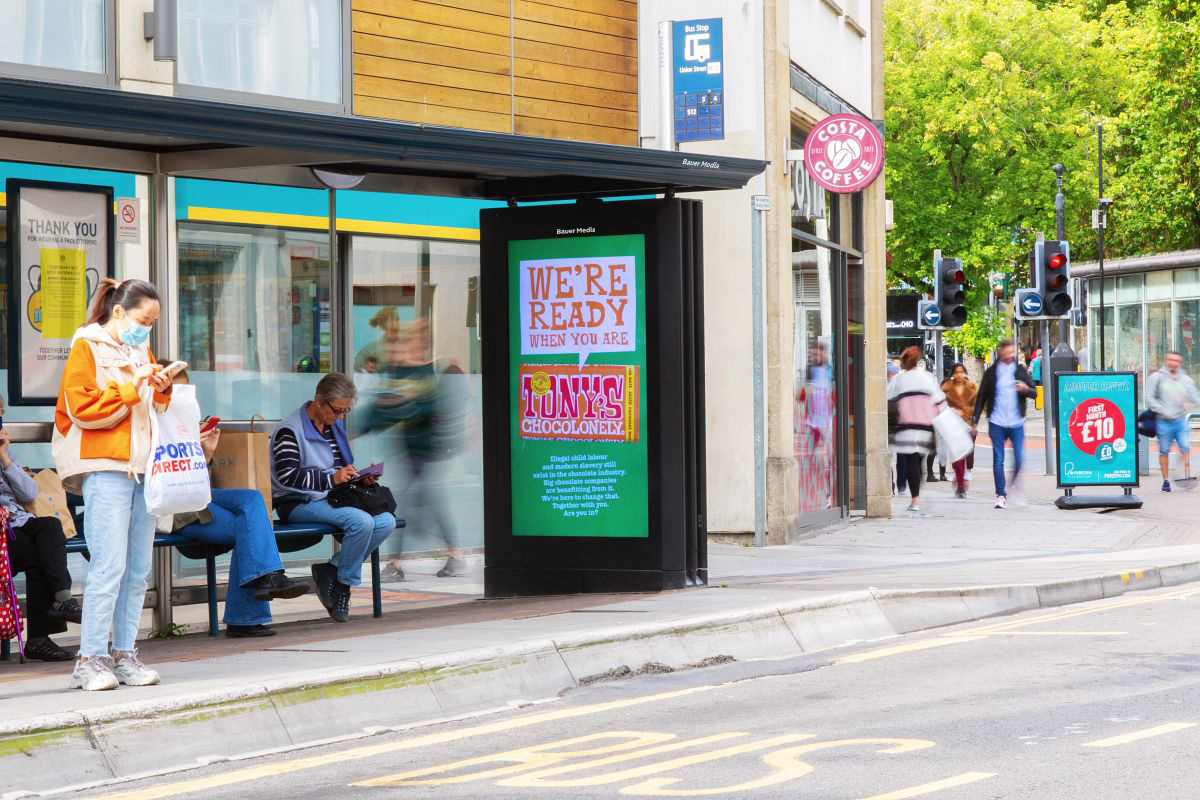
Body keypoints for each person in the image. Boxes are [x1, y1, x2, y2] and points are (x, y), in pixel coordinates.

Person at [53, 278, 173, 690]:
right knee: (109, 568)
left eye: (154, 322)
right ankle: (89, 660)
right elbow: (81, 407)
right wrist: (132, 387)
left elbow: (152, 408)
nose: (148, 329)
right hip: (105, 468)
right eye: (144, 319)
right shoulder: (86, 345)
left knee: (138, 570)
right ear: (119, 311)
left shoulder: (138, 347)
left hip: (140, 468)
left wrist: (160, 387)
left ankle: (124, 654)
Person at [159, 362, 309, 636]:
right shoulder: (151, 422)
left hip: (197, 495)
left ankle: (267, 580)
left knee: (251, 501)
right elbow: (166, 476)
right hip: (174, 504)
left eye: (184, 390)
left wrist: (205, 451)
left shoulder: (185, 420)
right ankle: (248, 613)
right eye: (173, 390)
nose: (180, 397)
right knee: (250, 528)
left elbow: (195, 475)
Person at [271, 373, 396, 622]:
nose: (340, 417)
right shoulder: (289, 430)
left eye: (345, 412)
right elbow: (287, 478)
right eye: (337, 410)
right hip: (296, 501)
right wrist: (331, 480)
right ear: (319, 400)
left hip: (332, 497)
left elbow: (340, 469)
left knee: (386, 522)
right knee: (361, 522)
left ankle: (332, 571)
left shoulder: (332, 426)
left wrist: (359, 477)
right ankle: (344, 586)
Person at [368, 319, 466, 580]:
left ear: (423, 344)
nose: (407, 345)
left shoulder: (431, 374)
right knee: (424, 502)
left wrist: (409, 402)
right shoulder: (401, 372)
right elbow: (385, 408)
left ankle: (397, 563)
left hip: (430, 450)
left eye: (412, 341)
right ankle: (452, 556)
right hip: (407, 449)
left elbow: (433, 406)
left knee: (411, 502)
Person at [0, 395, 82, 661]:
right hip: (4, 532)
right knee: (42, 558)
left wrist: (4, 457)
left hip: (16, 524)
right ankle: (41, 634)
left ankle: (62, 599)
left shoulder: (5, 451)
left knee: (50, 526)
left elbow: (29, 491)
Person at [972, 339, 1036, 509]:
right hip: (997, 421)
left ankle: (1013, 485)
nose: (1009, 355)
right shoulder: (992, 372)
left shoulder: (1020, 370)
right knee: (998, 459)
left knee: (1019, 458)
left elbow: (1035, 393)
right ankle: (1001, 494)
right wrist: (974, 421)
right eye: (1006, 352)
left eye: (1012, 352)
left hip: (1016, 422)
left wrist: (1025, 390)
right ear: (1000, 352)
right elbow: (982, 396)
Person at [887, 346, 946, 513]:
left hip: (906, 427)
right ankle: (916, 495)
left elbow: (888, 398)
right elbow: (939, 401)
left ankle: (915, 500)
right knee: (919, 462)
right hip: (925, 427)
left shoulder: (899, 379)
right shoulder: (928, 378)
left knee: (911, 461)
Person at [1146, 350, 1200, 492]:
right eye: (1170, 359)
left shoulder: (1186, 380)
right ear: (1166, 361)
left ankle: (1182, 473)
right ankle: (1165, 481)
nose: (1173, 363)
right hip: (1163, 422)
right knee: (1164, 450)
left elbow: (1195, 397)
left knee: (1185, 447)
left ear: (1180, 363)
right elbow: (1149, 397)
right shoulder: (1157, 377)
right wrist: (1161, 409)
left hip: (1180, 421)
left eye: (1176, 361)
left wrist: (1191, 402)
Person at [941, 364, 978, 499]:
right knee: (957, 455)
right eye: (956, 372)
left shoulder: (971, 387)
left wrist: (974, 422)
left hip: (967, 423)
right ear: (953, 373)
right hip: (952, 424)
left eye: (961, 372)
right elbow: (940, 405)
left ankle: (960, 481)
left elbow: (976, 406)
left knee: (963, 453)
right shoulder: (946, 388)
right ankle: (961, 484)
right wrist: (951, 411)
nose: (959, 375)